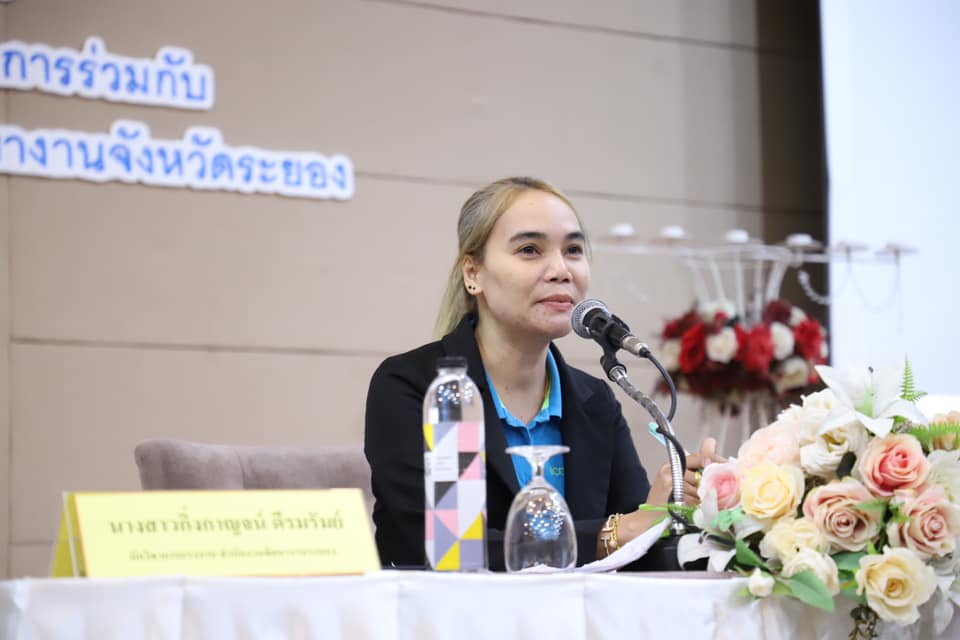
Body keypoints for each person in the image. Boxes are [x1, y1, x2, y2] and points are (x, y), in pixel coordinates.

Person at [364, 176, 719, 570]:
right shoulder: (417, 387)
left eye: (573, 250)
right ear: (473, 273)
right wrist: (615, 532)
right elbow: (443, 547)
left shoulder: (595, 400)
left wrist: (679, 504)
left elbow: (637, 544)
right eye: (530, 250)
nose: (560, 270)